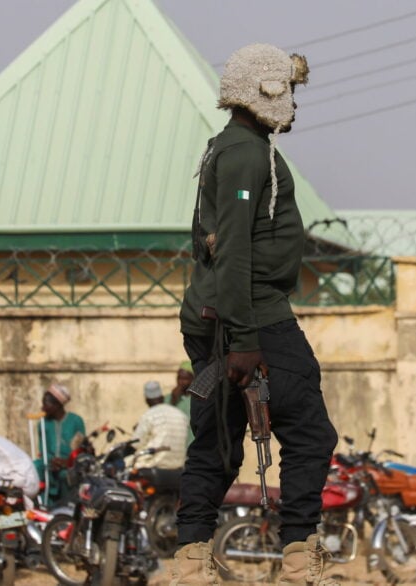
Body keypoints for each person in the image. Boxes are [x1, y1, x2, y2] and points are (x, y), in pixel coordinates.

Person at [173, 44, 338, 586]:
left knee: (216, 440)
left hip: (218, 315)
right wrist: (245, 340)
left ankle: (193, 561)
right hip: (255, 317)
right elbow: (235, 250)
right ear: (265, 91)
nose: (293, 104)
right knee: (310, 432)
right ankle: (298, 558)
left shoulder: (231, 146)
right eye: (287, 91)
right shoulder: (245, 154)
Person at [37, 384, 85, 505]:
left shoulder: (76, 421)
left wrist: (66, 462)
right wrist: (52, 460)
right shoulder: (43, 424)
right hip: (49, 464)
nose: (42, 408)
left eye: (46, 404)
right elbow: (43, 449)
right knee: (36, 468)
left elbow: (80, 448)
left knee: (66, 476)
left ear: (57, 405)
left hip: (70, 465)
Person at [133, 381, 188, 470]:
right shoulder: (180, 415)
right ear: (162, 397)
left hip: (152, 465)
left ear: (147, 400)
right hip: (178, 466)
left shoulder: (149, 415)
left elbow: (136, 443)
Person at [169, 362, 195, 447]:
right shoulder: (169, 398)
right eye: (179, 378)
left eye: (185, 379)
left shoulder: (196, 399)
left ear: (193, 379)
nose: (181, 382)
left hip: (191, 443)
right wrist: (173, 400)